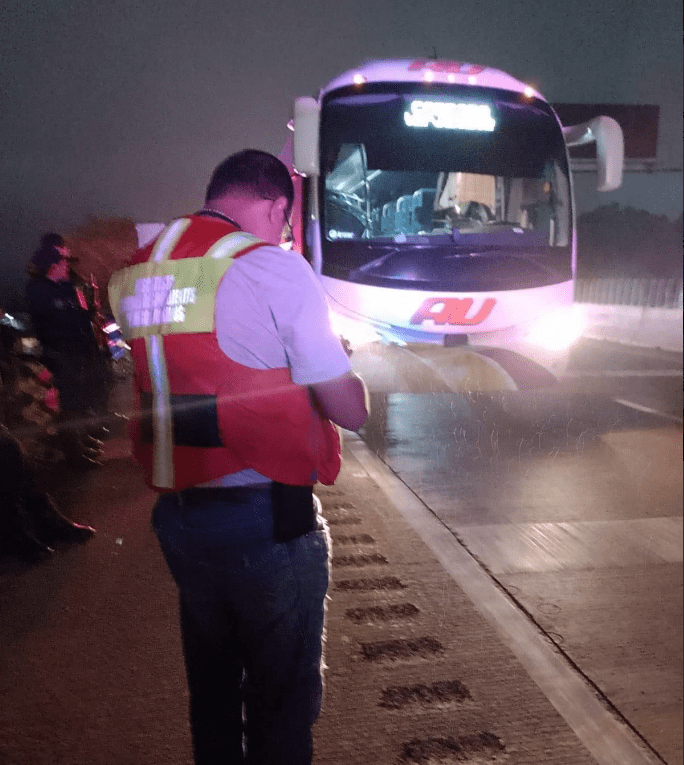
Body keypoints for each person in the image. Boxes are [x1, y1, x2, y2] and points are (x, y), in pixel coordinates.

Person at [108, 149, 368, 765]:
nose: (282, 233)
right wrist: (340, 366)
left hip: (181, 518)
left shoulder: (138, 271)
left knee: (214, 693)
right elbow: (347, 409)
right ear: (278, 206)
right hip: (265, 518)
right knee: (280, 702)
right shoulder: (271, 268)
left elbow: (202, 363)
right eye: (285, 221)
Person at [25, 233, 109, 464]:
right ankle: (74, 452)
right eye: (64, 262)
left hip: (76, 354)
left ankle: (80, 440)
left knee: (78, 402)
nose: (67, 267)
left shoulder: (64, 288)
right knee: (68, 406)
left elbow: (79, 316)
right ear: (53, 265)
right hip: (60, 356)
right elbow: (58, 322)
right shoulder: (39, 290)